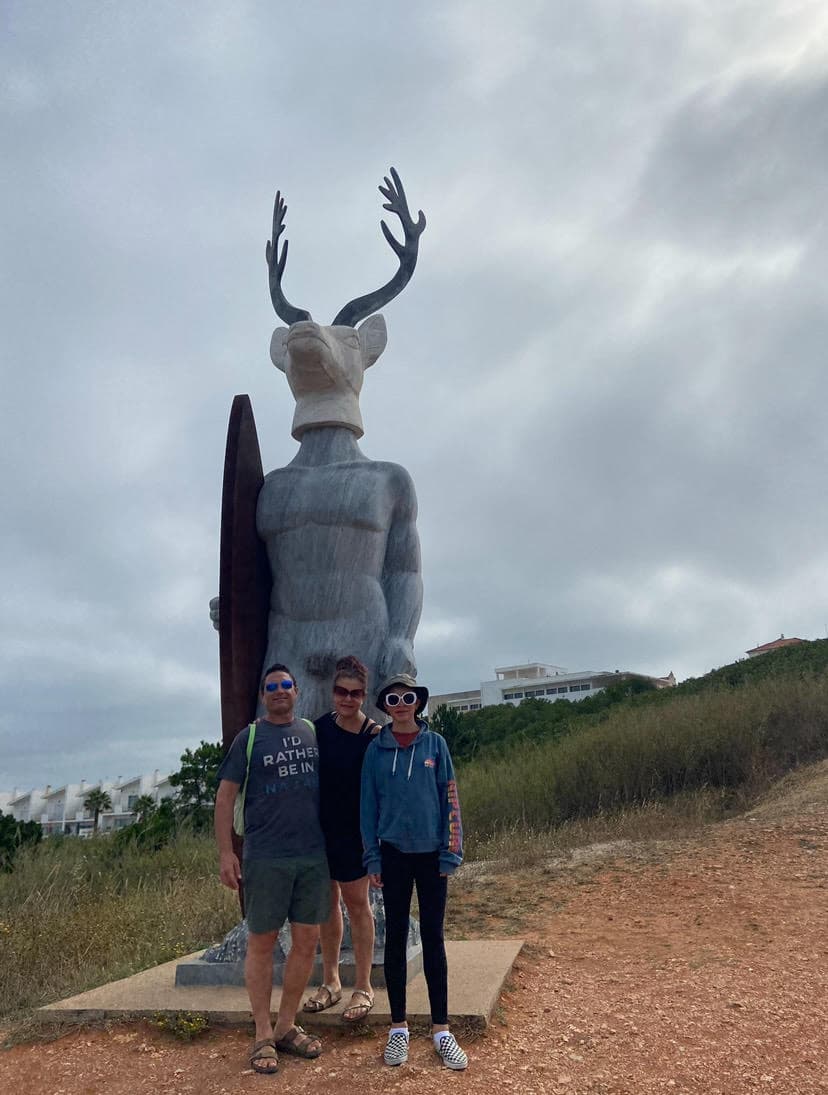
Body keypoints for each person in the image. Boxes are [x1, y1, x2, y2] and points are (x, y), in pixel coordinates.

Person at [215, 663, 330, 1075]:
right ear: (264, 696)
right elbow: (225, 797)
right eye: (271, 686)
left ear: (297, 691)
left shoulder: (311, 732)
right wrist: (226, 853)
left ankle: (286, 1025)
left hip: (312, 855)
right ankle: (262, 1032)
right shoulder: (249, 738)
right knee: (261, 943)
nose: (279, 690)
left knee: (306, 942)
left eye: (286, 685)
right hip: (265, 856)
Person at [360, 674, 468, 1070]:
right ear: (385, 707)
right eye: (393, 699)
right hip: (393, 855)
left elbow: (450, 798)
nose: (401, 704)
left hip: (432, 856)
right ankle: (398, 1029)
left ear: (418, 702)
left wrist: (451, 852)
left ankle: (442, 1030)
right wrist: (372, 858)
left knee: (434, 937)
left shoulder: (435, 744)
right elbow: (367, 807)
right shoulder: (376, 750)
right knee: (395, 939)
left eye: (408, 697)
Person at [302, 655, 381, 1022]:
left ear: (364, 695)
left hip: (355, 833)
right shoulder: (318, 728)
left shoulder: (374, 736)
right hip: (320, 830)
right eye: (341, 691)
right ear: (332, 691)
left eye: (355, 693)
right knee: (326, 904)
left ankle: (363, 986)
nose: (347, 699)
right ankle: (330, 981)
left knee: (358, 904)